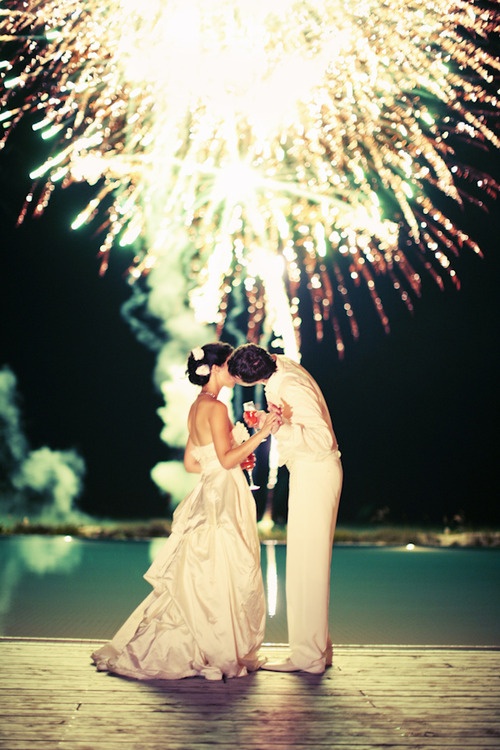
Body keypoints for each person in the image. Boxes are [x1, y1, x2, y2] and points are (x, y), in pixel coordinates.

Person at [92, 342, 280, 681]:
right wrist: (260, 436)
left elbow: (193, 463)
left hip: (210, 488)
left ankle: (208, 644)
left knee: (210, 568)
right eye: (229, 364)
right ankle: (217, 647)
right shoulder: (218, 409)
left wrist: (234, 454)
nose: (235, 370)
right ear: (217, 369)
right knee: (225, 566)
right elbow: (224, 460)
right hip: (224, 493)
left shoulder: (197, 407)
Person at [228, 344, 342, 674]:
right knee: (305, 564)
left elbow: (321, 438)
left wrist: (278, 427)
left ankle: (309, 658)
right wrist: (267, 419)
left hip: (316, 472)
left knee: (309, 567)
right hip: (310, 473)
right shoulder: (281, 366)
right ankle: (318, 650)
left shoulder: (291, 383)